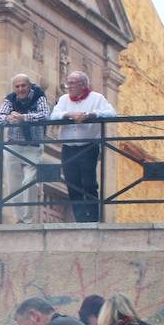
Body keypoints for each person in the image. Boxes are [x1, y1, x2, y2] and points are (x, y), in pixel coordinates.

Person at [50, 71, 117, 223]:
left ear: (83, 85)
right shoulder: (64, 99)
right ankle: (80, 219)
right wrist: (69, 115)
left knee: (89, 183)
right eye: (68, 83)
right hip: (68, 147)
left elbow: (111, 114)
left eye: (72, 83)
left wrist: (90, 115)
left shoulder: (97, 98)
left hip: (88, 146)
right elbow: (53, 115)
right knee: (72, 183)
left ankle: (93, 218)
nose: (69, 86)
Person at [0, 74, 51, 224]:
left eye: (23, 86)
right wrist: (8, 118)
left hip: (33, 146)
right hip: (13, 145)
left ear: (29, 86)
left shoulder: (39, 97)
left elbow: (45, 115)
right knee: (14, 185)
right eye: (17, 86)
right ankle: (19, 219)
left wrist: (24, 117)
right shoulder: (10, 99)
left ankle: (28, 219)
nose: (20, 89)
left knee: (30, 182)